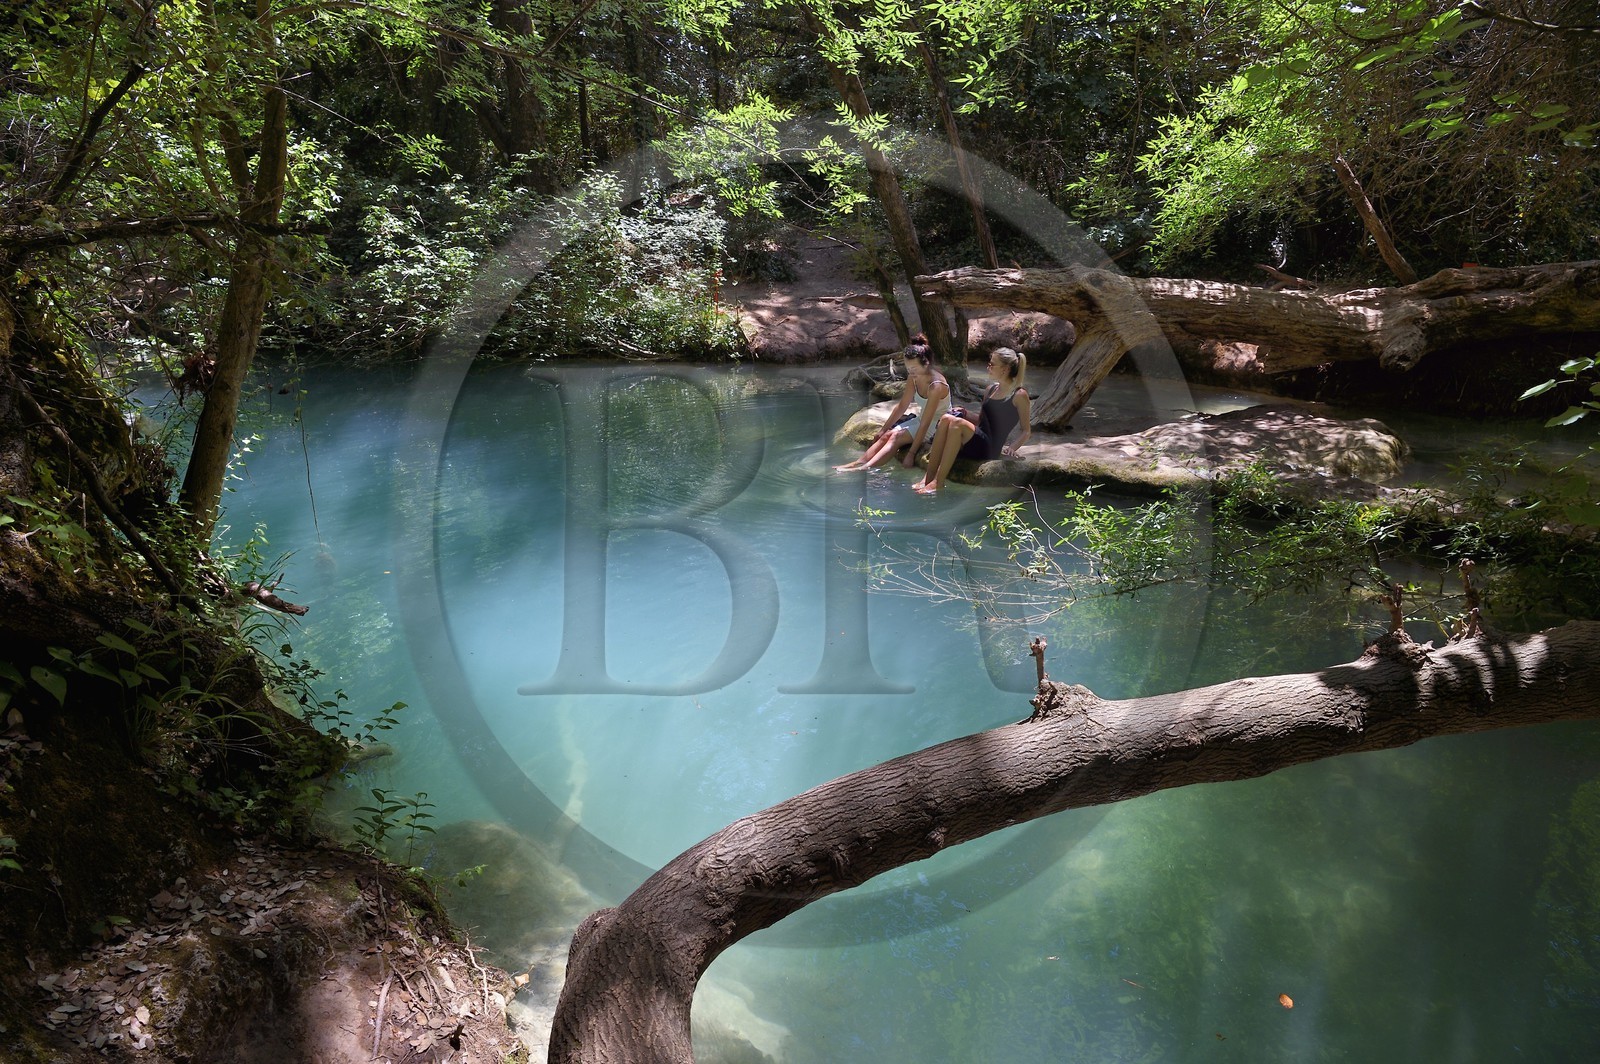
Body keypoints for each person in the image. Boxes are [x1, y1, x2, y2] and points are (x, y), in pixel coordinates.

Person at [912, 347, 1030, 495]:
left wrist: (1012, 447)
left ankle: (938, 482)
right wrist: (965, 413)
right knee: (947, 418)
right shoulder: (991, 389)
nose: (988, 367)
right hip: (979, 440)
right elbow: (982, 420)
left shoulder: (1019, 395)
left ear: (1005, 369)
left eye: (992, 364)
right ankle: (927, 478)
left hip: (990, 448)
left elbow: (1026, 430)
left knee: (956, 423)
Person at [833, 336, 950, 472]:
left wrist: (911, 454)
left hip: (937, 426)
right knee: (887, 435)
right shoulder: (914, 377)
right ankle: (857, 463)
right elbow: (902, 406)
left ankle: (864, 468)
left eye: (914, 368)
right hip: (921, 419)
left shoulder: (936, 386)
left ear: (926, 364)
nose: (910, 372)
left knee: (895, 437)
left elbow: (926, 423)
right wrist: (883, 430)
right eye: (908, 368)